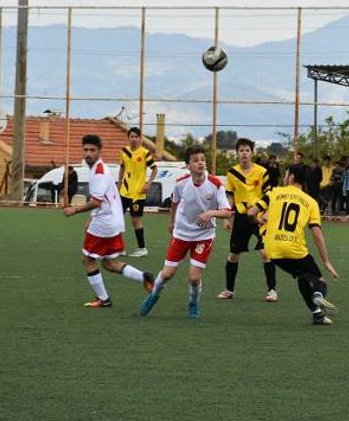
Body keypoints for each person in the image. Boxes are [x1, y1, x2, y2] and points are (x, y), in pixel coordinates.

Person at [140, 145, 232, 319]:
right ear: (188, 165)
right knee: (167, 274)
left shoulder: (216, 184)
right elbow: (174, 202)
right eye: (196, 160)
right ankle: (153, 296)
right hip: (182, 233)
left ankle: (193, 304)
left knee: (194, 278)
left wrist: (210, 213)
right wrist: (172, 221)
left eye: (202, 159)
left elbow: (227, 212)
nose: (200, 163)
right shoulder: (181, 183)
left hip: (204, 236)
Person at [63, 135, 154, 308]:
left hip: (104, 223)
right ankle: (144, 277)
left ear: (99, 151)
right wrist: (91, 217)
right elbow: (102, 198)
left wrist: (74, 210)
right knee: (109, 263)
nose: (88, 153)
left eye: (92, 150)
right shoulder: (100, 168)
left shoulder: (98, 172)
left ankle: (104, 299)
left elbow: (96, 201)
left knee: (88, 259)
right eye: (85, 150)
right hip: (113, 220)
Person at [248, 164, 340, 325]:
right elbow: (316, 233)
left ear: (291, 177)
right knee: (319, 281)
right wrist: (326, 261)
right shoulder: (311, 202)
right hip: (294, 249)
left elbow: (250, 213)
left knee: (302, 278)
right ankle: (318, 296)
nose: (284, 176)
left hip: (272, 249)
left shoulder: (274, 192)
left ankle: (317, 315)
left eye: (286, 174)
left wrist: (258, 220)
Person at [217, 138, 277, 302]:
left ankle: (272, 290)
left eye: (247, 150)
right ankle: (229, 289)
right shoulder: (232, 173)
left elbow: (269, 194)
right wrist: (227, 217)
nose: (244, 153)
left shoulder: (262, 171)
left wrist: (266, 213)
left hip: (259, 217)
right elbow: (229, 196)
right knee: (233, 255)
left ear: (252, 153)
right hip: (241, 218)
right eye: (241, 150)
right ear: (237, 153)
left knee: (266, 253)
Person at [118, 127, 157, 258]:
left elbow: (155, 169)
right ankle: (120, 248)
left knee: (135, 220)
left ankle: (142, 249)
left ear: (140, 138)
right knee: (117, 219)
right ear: (128, 138)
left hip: (138, 193)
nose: (134, 139)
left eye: (136, 137)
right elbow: (122, 168)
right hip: (124, 192)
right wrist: (118, 186)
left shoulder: (145, 153)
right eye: (131, 136)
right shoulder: (123, 151)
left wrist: (148, 184)